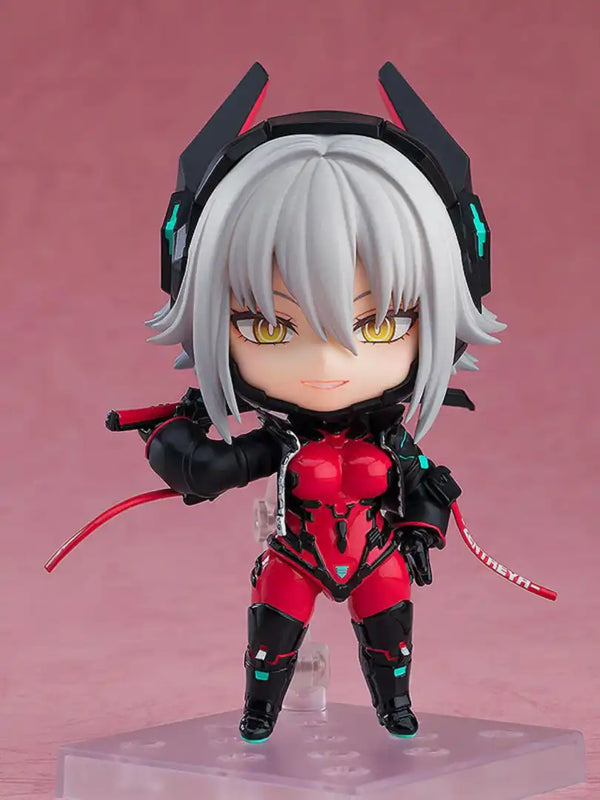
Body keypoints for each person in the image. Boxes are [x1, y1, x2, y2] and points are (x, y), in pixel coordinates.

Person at [143, 62, 505, 742]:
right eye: (268, 325)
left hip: (377, 553)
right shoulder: (279, 443)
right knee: (269, 646)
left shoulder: (392, 443)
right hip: (297, 556)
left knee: (392, 642)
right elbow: (206, 470)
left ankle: (395, 706)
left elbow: (429, 485)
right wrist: (176, 433)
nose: (328, 363)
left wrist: (422, 530)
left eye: (381, 322)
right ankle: (259, 711)